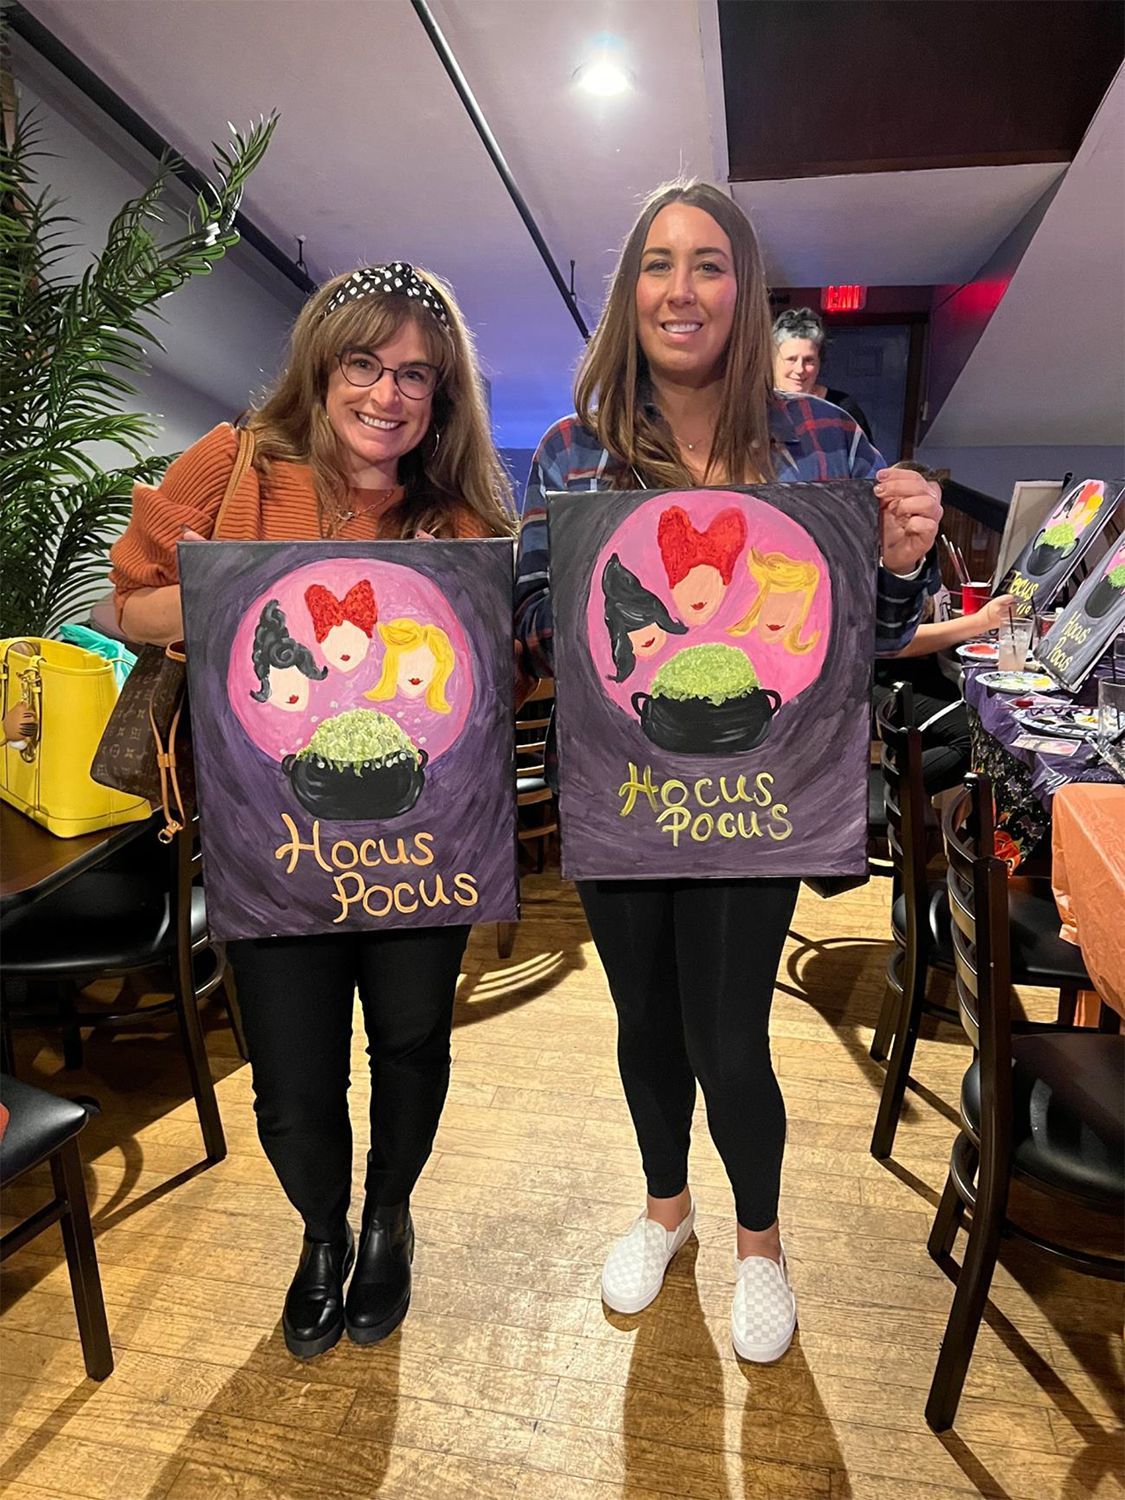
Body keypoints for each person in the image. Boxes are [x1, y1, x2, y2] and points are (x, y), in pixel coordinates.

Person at [515, 180, 940, 1364]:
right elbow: (547, 625)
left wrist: (901, 556)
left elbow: (876, 632)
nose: (682, 289)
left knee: (729, 1034)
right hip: (621, 791)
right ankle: (666, 1210)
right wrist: (598, 624)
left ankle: (760, 1241)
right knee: (643, 1022)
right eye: (658, 264)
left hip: (759, 797)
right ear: (629, 294)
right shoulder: (571, 451)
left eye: (709, 264)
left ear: (743, 292)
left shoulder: (824, 441)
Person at [110, 261, 515, 1358]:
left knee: (413, 1042)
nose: (387, 395)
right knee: (290, 1075)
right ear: (322, 365)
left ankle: (389, 1221)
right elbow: (131, 601)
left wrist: (482, 624)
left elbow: (501, 686)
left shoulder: (462, 516)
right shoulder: (234, 462)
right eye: (364, 364)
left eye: (416, 377)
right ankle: (321, 1232)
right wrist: (228, 600)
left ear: (442, 399)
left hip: (416, 842)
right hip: (267, 835)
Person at [772, 306, 874, 443]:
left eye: (809, 360)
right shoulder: (755, 406)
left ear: (820, 362)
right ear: (773, 360)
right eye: (791, 359)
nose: (799, 369)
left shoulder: (843, 408)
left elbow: (868, 462)